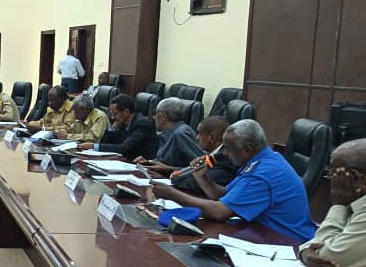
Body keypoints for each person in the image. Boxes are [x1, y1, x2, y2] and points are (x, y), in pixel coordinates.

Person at [153, 120, 316, 242]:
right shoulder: (262, 160)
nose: (225, 153)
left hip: (287, 241)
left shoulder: (263, 173)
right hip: (264, 233)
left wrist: (172, 194)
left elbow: (219, 212)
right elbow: (222, 195)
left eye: (229, 149)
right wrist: (201, 177)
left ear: (247, 149)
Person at [300, 139, 366, 267]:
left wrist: (339, 205)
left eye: (333, 172)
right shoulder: (357, 200)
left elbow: (331, 259)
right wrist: (305, 252)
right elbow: (318, 246)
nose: (330, 178)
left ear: (355, 177)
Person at [146, 116, 236, 196]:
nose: (197, 137)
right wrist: (173, 170)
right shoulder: (215, 154)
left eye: (200, 133)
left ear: (211, 137)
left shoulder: (224, 157)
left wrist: (176, 178)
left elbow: (199, 184)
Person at [78, 93, 158, 161]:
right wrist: (112, 128)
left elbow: (123, 148)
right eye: (111, 114)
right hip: (125, 161)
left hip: (142, 165)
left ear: (126, 112)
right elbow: (105, 143)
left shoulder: (143, 124)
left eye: (115, 114)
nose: (112, 117)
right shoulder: (122, 123)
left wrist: (93, 146)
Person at [135, 97, 205, 168]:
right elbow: (164, 162)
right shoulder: (167, 133)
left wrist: (169, 169)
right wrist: (149, 162)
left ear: (162, 116)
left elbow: (202, 166)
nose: (154, 117)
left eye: (155, 114)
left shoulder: (181, 133)